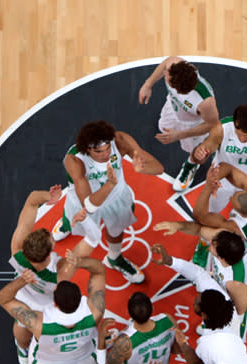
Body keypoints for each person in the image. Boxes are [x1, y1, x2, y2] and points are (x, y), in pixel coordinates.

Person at [53, 120, 164, 284]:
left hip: (116, 197)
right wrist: (109, 184)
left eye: (107, 149)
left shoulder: (120, 141)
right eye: (98, 152)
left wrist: (142, 168)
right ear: (87, 149)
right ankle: (65, 224)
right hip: (85, 200)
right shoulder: (74, 160)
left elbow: (158, 167)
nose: (105, 155)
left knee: (116, 231)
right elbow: (88, 206)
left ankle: (114, 258)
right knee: (75, 218)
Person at [9, 186, 102, 364]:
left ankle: (22, 349)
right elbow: (93, 239)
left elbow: (31, 201)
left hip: (22, 294)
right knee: (46, 332)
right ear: (49, 253)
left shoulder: (17, 249)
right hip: (46, 305)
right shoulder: (61, 271)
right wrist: (85, 221)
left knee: (21, 324)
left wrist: (47, 197)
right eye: (52, 240)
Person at [154, 217, 247, 342]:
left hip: (240, 302)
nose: (209, 241)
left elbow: (240, 310)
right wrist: (177, 225)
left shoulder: (235, 283)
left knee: (235, 339)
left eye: (213, 245)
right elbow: (199, 230)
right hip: (220, 281)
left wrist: (216, 320)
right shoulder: (224, 239)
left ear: (221, 259)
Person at [192, 164, 247, 300]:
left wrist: (208, 187)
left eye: (234, 201)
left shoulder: (234, 227)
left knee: (241, 276)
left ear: (242, 214)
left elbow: (199, 216)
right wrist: (214, 178)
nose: (231, 197)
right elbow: (228, 168)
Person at [138, 56, 220, 192]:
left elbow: (212, 124)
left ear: (181, 90)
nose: (165, 74)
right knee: (163, 128)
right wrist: (148, 84)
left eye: (167, 78)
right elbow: (166, 63)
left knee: (195, 152)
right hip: (172, 108)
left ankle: (191, 166)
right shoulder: (173, 65)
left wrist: (179, 135)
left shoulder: (205, 102)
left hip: (192, 124)